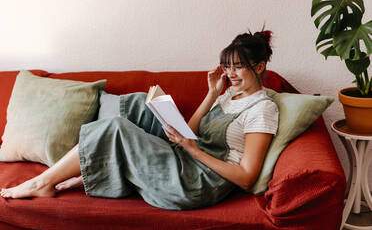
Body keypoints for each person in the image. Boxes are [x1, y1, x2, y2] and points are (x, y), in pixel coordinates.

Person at [1, 30, 278, 210]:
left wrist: (191, 149)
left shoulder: (262, 109)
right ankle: (88, 167)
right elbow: (191, 132)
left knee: (116, 128)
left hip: (199, 182)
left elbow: (245, 177)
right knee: (139, 104)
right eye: (227, 67)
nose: (231, 74)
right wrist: (211, 95)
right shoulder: (229, 94)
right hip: (191, 155)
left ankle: (41, 183)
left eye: (238, 67)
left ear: (260, 66)